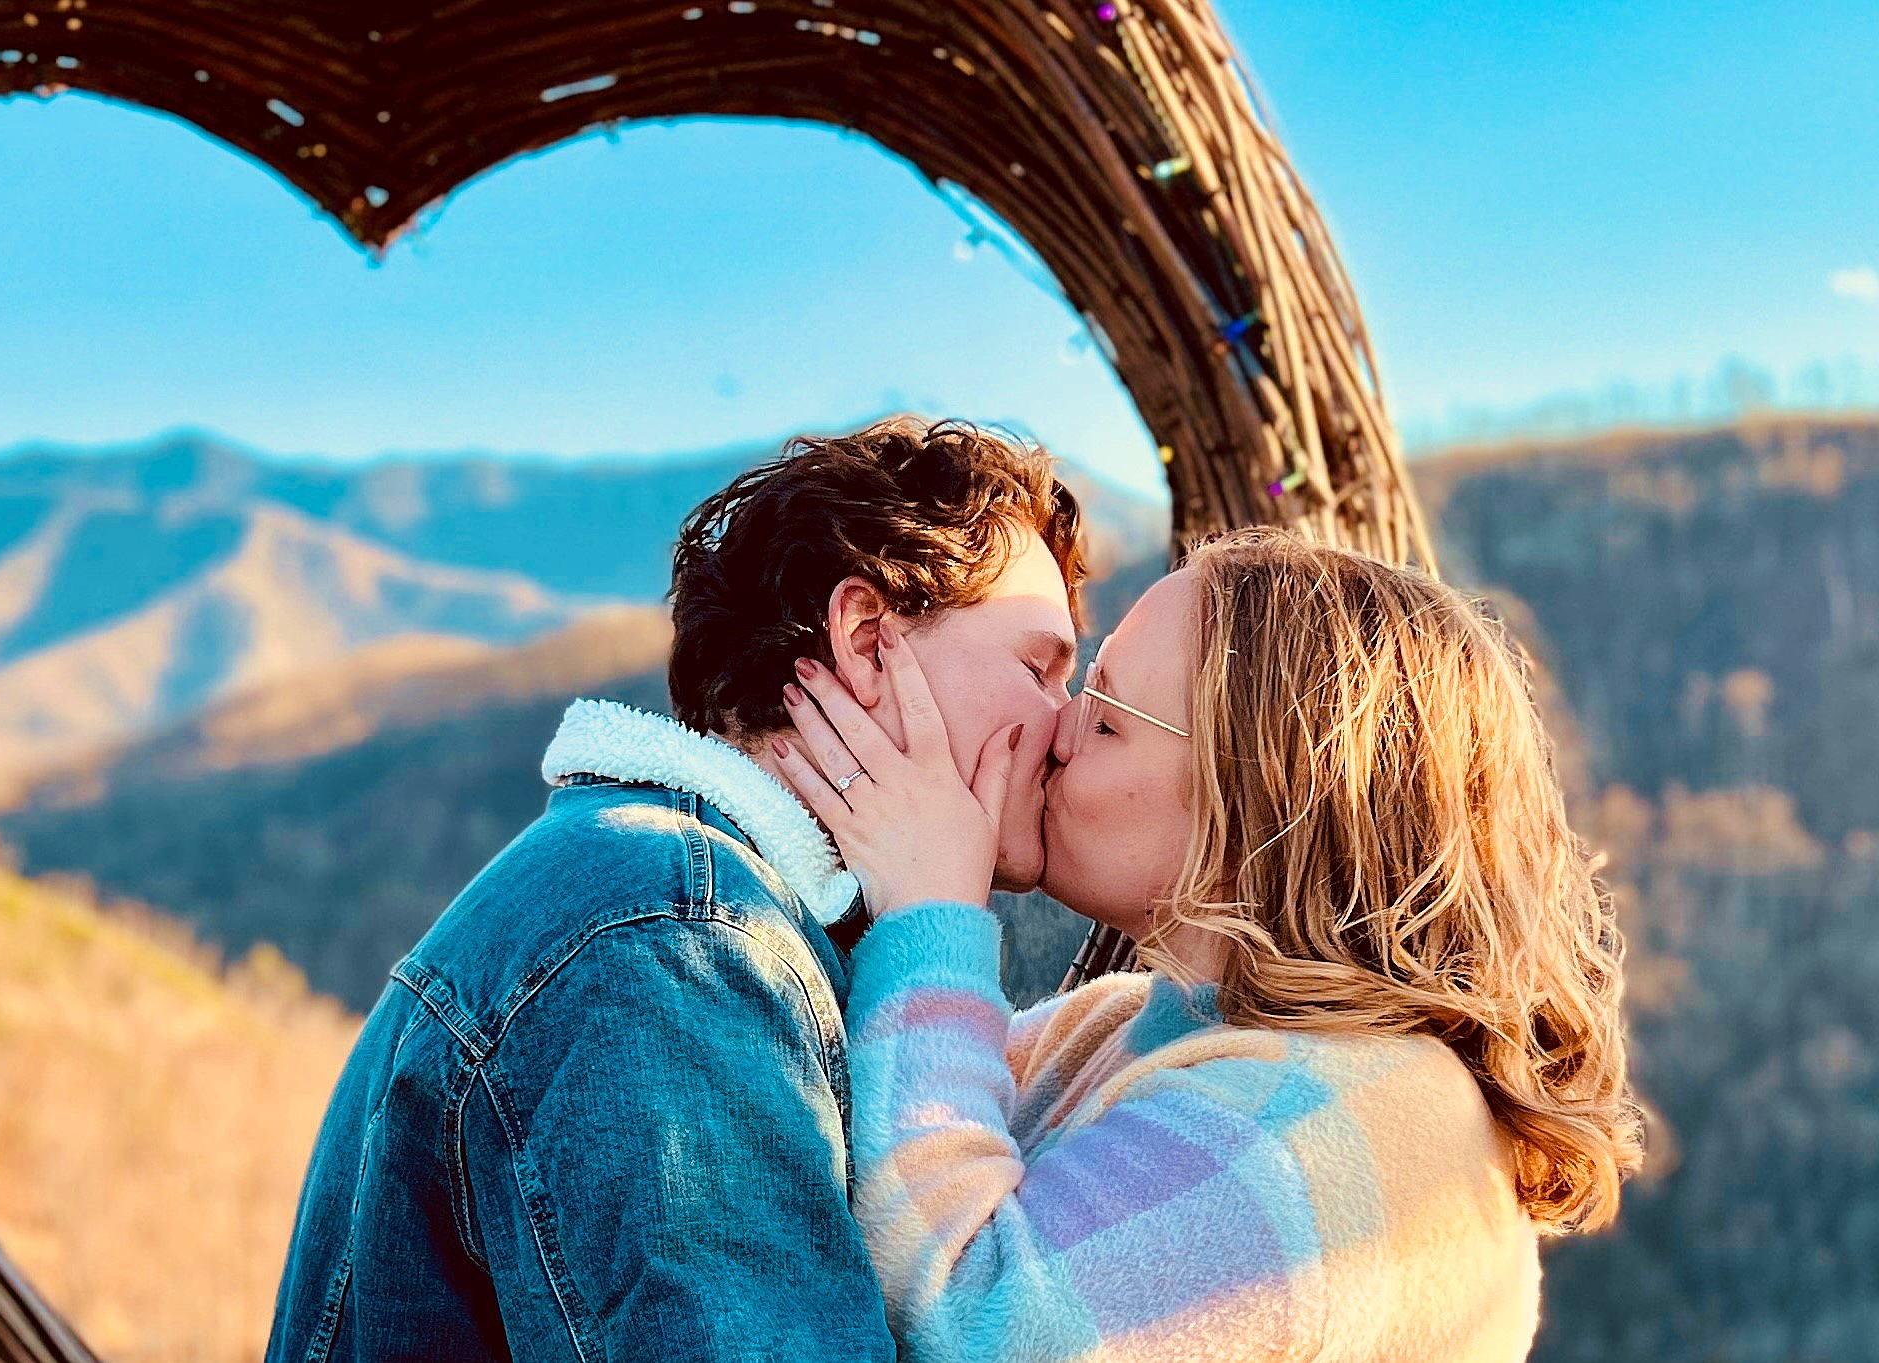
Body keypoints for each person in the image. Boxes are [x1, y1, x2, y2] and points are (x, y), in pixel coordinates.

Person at [261, 416, 1093, 1361]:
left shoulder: (681, 904)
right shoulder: (677, 945)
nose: (1066, 724)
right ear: (868, 642)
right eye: (1039, 668)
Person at [769, 527, 1645, 1362]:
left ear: (1265, 802)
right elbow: (866, 1129)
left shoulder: (1339, 1122)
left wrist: (929, 913)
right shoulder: (1127, 1028)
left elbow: (971, 1324)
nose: (1057, 730)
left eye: (1107, 719)